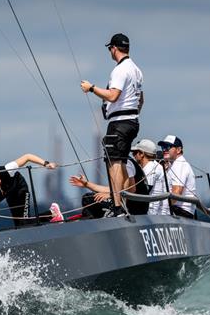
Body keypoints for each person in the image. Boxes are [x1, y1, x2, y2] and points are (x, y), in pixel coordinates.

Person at [80, 33, 144, 217]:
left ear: (114, 48)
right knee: (121, 161)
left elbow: (113, 95)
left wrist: (91, 88)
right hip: (132, 121)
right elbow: (141, 99)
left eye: (110, 48)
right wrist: (132, 112)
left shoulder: (120, 70)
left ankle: (117, 207)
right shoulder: (137, 70)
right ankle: (122, 203)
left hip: (120, 122)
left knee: (113, 162)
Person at [0, 154, 57, 235]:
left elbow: (27, 157)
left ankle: (53, 213)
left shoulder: (7, 170)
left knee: (23, 225)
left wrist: (46, 163)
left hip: (19, 188)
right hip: (7, 193)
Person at [68, 142, 150, 218]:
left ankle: (94, 226)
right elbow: (115, 189)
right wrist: (86, 184)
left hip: (136, 208)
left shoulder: (125, 163)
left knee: (88, 199)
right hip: (136, 205)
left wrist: (111, 195)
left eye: (107, 148)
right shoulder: (123, 161)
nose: (105, 150)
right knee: (88, 197)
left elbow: (132, 190)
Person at [158, 135, 196, 218]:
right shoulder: (175, 164)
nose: (164, 150)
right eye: (162, 146)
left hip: (180, 211)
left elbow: (176, 193)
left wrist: (160, 207)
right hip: (180, 210)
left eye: (168, 147)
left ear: (178, 150)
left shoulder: (179, 164)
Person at [131, 139, 169, 216]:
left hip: (152, 214)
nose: (133, 155)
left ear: (142, 154)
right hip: (151, 212)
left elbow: (143, 190)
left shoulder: (151, 167)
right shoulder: (152, 166)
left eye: (135, 152)